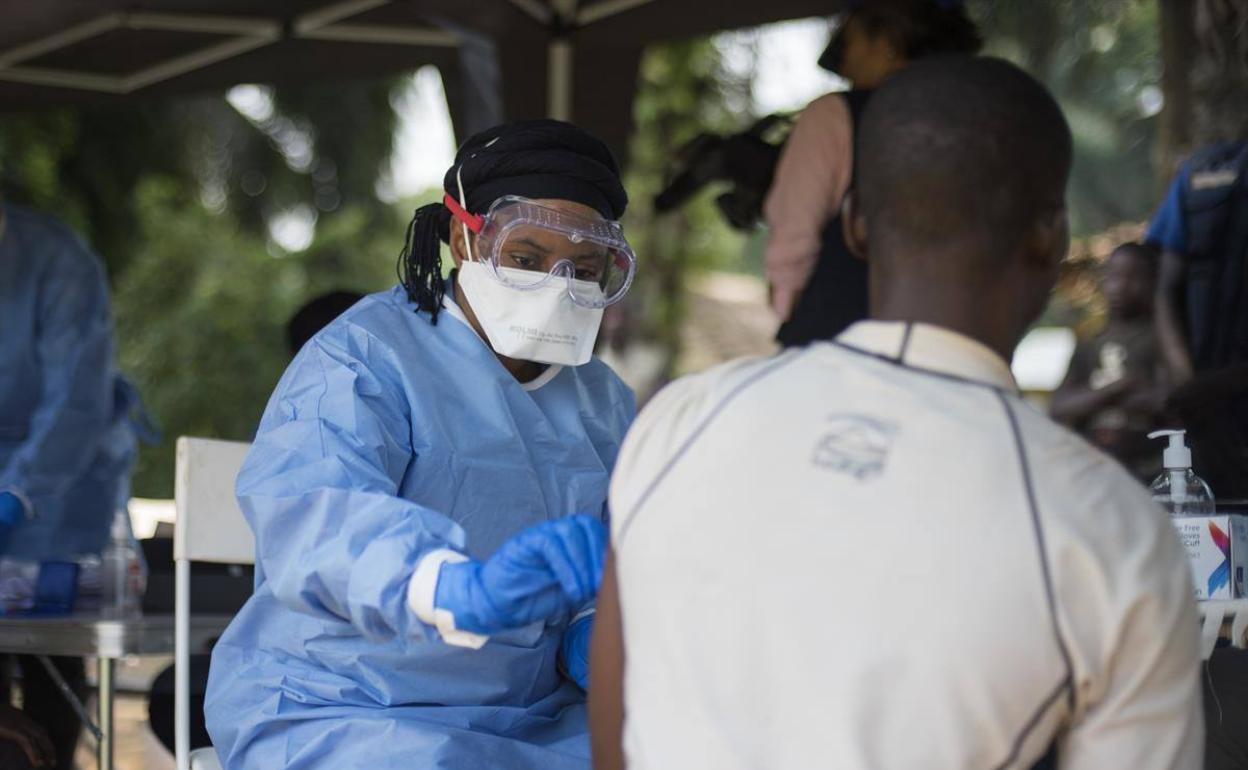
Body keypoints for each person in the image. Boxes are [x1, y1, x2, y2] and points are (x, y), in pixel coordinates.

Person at [590, 57, 1202, 770]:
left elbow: (616, 734)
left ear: (852, 225)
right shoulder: (1113, 534)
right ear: (1050, 238)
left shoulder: (682, 421)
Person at [205, 119, 638, 770]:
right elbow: (316, 522)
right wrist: (455, 590)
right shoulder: (364, 358)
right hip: (343, 706)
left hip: (529, 716)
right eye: (525, 258)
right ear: (464, 238)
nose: (557, 286)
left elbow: (606, 565)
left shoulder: (603, 403)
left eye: (582, 269)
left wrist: (589, 628)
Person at [0, 198, 139, 770]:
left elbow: (75, 400)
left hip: (66, 484)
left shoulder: (59, 261)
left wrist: (16, 494)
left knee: (53, 652)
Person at [766, 0, 982, 347]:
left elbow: (793, 238)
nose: (843, 62)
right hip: (949, 349)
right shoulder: (983, 127)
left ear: (887, 43)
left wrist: (787, 305)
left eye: (849, 42)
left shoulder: (835, 117)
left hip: (834, 345)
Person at [1145, 138, 1248, 499]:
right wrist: (1188, 385)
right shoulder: (1202, 173)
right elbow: (1165, 290)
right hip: (1206, 412)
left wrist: (1217, 386)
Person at [1050, 243, 1166, 480]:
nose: (1120, 286)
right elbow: (1060, 406)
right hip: (1095, 464)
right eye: (1114, 276)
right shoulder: (1090, 342)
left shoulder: (1158, 338)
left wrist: (1092, 399)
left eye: (1134, 277)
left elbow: (1167, 400)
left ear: (1153, 283)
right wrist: (1120, 387)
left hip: (1148, 466)